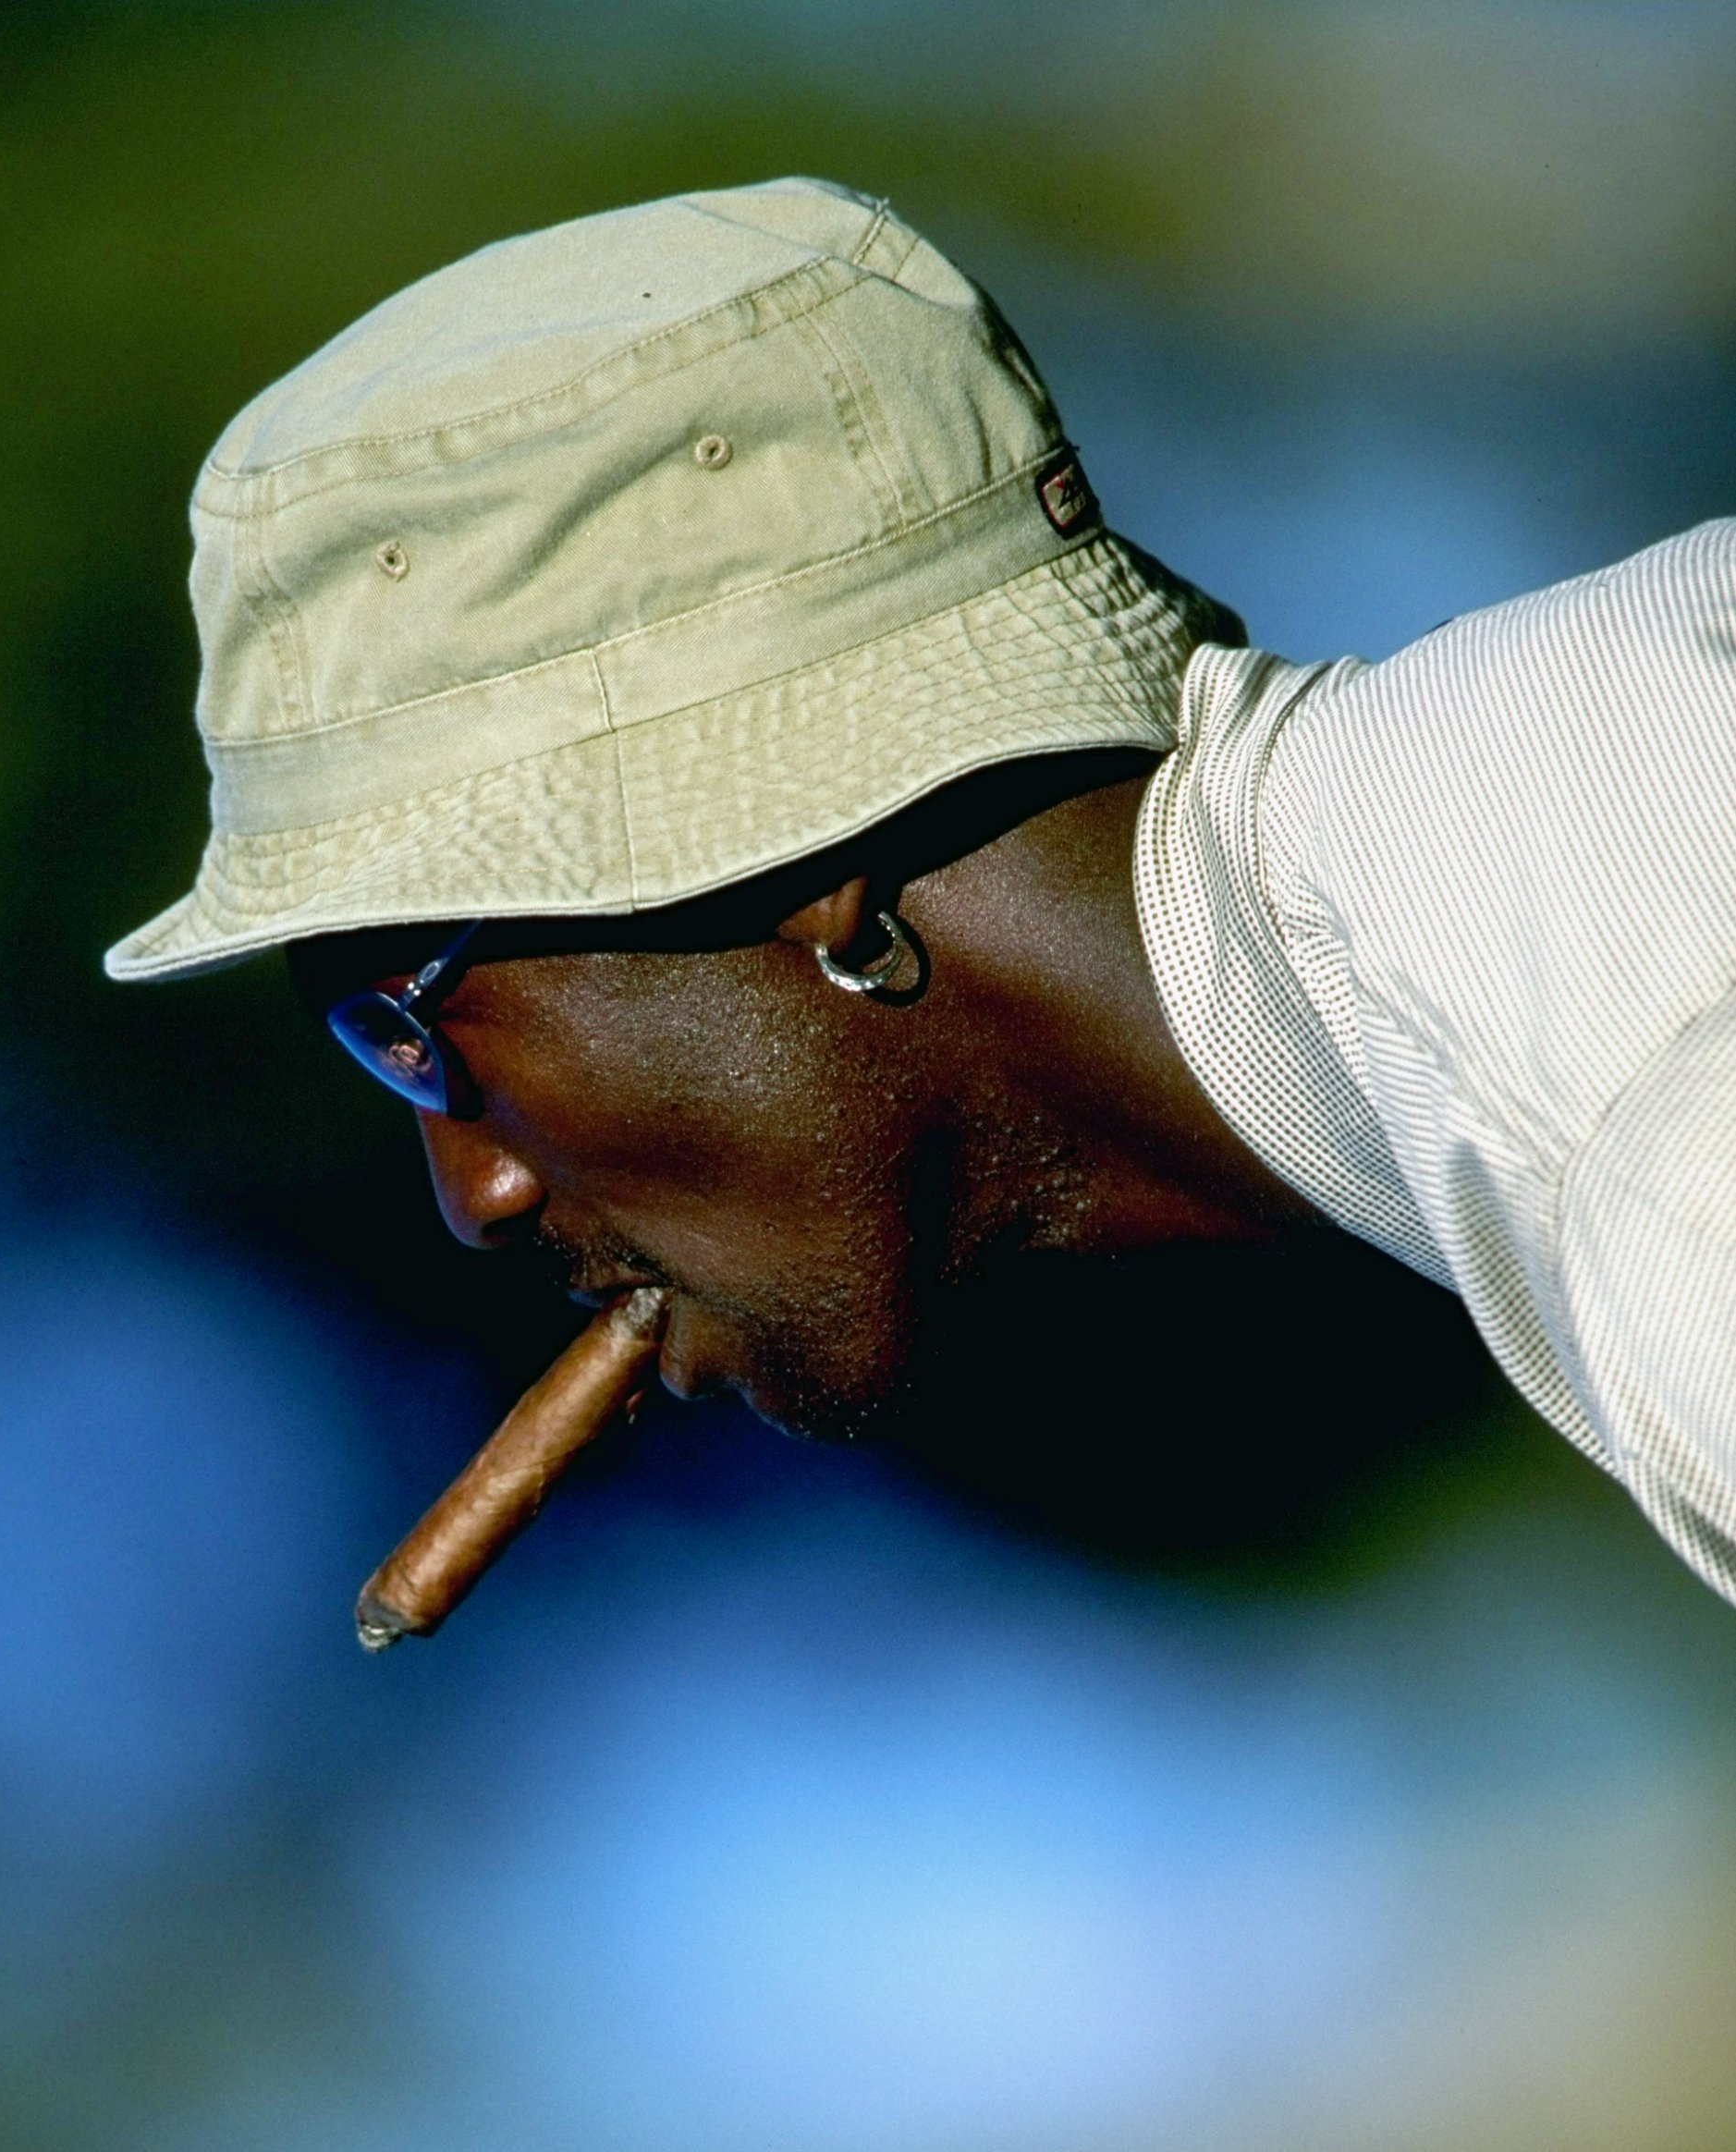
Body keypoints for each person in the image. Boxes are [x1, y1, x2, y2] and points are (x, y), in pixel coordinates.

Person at [107, 178, 1736, 1603]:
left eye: (404, 1020)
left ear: (800, 851)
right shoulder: (1546, 907)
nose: (476, 1196)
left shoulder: (1649, 1145)